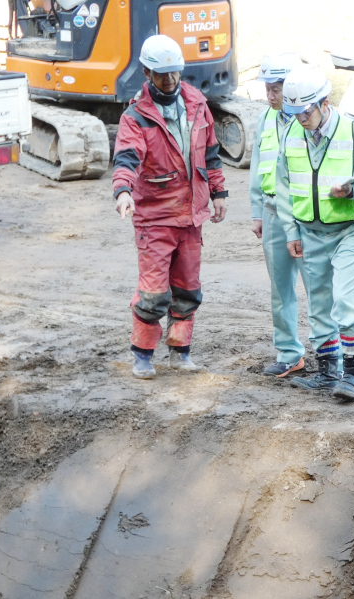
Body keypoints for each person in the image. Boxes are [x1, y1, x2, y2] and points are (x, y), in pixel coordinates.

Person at [112, 34, 228, 379]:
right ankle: (143, 356)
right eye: (162, 75)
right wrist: (123, 192)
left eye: (175, 73)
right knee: (153, 292)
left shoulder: (196, 103)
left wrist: (219, 193)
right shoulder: (136, 117)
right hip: (156, 218)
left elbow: (210, 154)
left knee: (188, 288)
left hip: (191, 217)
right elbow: (127, 159)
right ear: (147, 73)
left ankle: (181, 351)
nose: (170, 80)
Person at [275, 64, 354, 401]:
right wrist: (291, 230)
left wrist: (351, 190)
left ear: (325, 103)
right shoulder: (291, 134)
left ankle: (352, 375)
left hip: (351, 229)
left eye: (305, 112)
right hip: (310, 230)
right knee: (320, 302)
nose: (300, 119)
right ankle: (327, 372)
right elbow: (283, 187)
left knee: (344, 294)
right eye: (293, 113)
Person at [248, 52, 307, 379]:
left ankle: (331, 355)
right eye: (268, 88)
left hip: (305, 215)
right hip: (272, 213)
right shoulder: (265, 119)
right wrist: (257, 211)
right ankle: (289, 354)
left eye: (278, 88)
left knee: (318, 288)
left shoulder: (308, 118)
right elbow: (258, 167)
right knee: (280, 289)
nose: (271, 95)